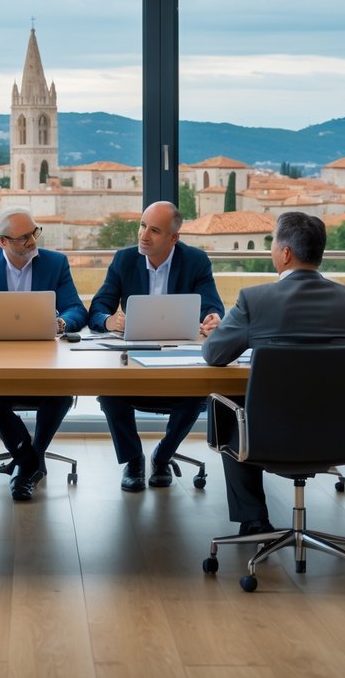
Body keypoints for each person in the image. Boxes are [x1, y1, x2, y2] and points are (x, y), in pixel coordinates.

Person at [202, 211, 345, 535]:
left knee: (230, 401)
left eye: (273, 243)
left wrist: (227, 330)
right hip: (342, 435)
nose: (271, 250)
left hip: (268, 436)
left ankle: (254, 518)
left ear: (286, 253)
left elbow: (214, 354)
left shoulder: (256, 299)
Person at [0, 207, 88, 502]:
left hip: (46, 358)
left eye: (34, 232)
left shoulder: (55, 263)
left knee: (61, 395)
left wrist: (62, 322)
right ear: (3, 241)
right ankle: (31, 461)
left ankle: (26, 461)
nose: (32, 241)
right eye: (23, 237)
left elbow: (77, 309)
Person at [88, 201, 224, 491]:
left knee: (196, 394)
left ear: (174, 238)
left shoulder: (196, 261)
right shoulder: (125, 260)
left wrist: (213, 318)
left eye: (154, 230)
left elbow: (211, 304)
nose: (143, 235)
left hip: (180, 357)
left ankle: (162, 456)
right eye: (142, 225)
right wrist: (109, 321)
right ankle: (133, 459)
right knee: (110, 392)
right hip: (133, 357)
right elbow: (98, 307)